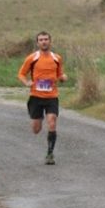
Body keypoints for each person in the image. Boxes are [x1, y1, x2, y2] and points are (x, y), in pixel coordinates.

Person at [16, 31, 68, 165]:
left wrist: (63, 78)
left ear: (50, 41)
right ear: (37, 43)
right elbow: (21, 74)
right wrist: (26, 82)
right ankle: (37, 121)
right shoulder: (32, 58)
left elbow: (60, 74)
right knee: (36, 129)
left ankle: (50, 154)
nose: (44, 42)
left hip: (52, 96)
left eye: (46, 39)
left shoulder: (57, 58)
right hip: (36, 97)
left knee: (52, 121)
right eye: (41, 40)